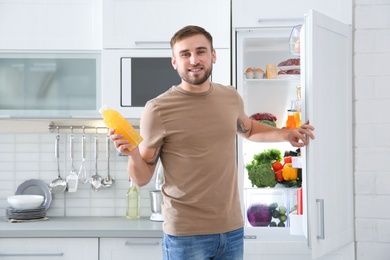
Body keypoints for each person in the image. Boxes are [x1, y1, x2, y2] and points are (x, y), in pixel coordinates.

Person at [109, 25, 315, 260]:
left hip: (232, 230)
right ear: (174, 61)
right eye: (185, 54)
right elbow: (141, 177)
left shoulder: (230, 97)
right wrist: (133, 153)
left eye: (200, 51)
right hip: (186, 235)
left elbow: (248, 129)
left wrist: (286, 134)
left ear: (213, 55)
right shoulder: (157, 109)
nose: (194, 60)